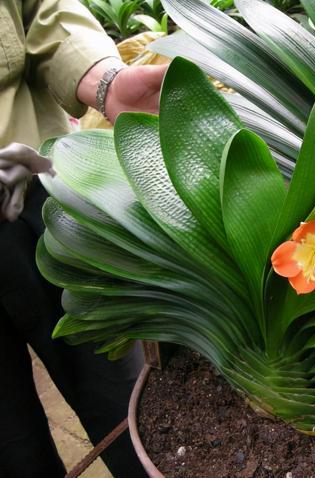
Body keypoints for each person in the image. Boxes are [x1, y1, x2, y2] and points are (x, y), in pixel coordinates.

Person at [0, 1, 169, 476]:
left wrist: (106, 82)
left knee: (129, 404)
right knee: (11, 447)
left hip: (43, 193)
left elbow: (41, 10)